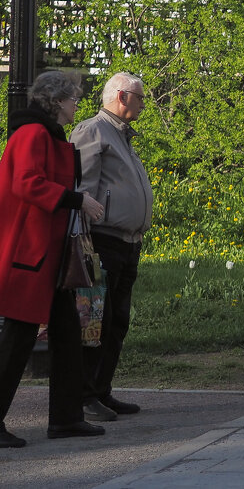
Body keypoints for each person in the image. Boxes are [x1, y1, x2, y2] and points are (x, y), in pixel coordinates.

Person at [0, 71, 108, 447]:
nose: (76, 103)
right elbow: (26, 183)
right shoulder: (33, 134)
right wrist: (77, 200)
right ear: (56, 101)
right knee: (16, 340)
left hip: (45, 255)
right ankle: (61, 418)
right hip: (30, 253)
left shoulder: (42, 133)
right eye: (73, 98)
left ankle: (66, 418)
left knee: (65, 334)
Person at [70, 72, 153, 422]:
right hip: (103, 240)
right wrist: (86, 239)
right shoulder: (94, 130)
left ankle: (102, 390)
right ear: (122, 96)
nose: (144, 103)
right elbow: (84, 188)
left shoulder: (121, 134)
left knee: (117, 321)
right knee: (96, 322)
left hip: (127, 242)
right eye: (140, 97)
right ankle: (85, 395)